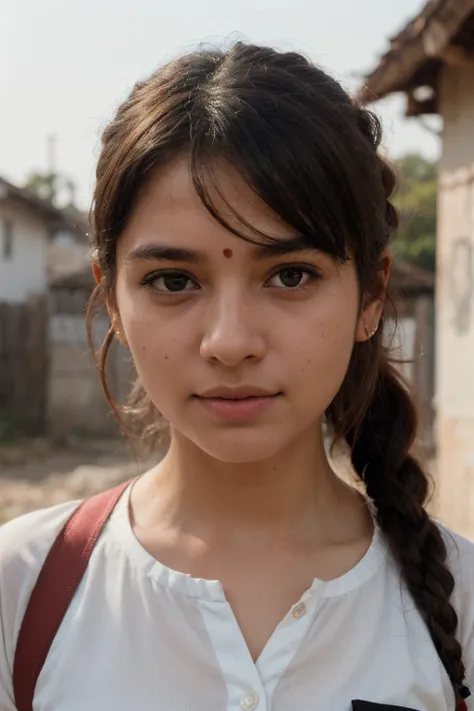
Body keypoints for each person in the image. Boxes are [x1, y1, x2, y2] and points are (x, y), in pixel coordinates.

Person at [1, 42, 473, 711]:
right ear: (112, 300)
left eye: (290, 275)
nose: (229, 342)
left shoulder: (461, 602)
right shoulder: (20, 592)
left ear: (371, 294)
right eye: (172, 280)